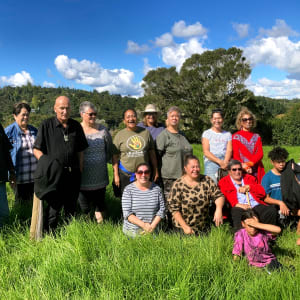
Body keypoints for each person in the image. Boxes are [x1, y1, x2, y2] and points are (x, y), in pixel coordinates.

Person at [33, 96, 88, 232]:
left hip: (73, 174)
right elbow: (36, 149)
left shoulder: (76, 126)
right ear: (55, 108)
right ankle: (50, 237)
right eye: (61, 108)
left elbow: (81, 149)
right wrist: (47, 166)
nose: (65, 111)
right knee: (53, 209)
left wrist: (80, 167)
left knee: (71, 208)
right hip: (54, 176)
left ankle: (70, 235)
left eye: (67, 108)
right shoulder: (46, 125)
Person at [167, 155, 224, 235]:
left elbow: (219, 195)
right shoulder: (178, 184)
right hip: (182, 227)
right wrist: (185, 227)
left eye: (197, 167)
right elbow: (173, 209)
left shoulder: (206, 180)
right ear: (185, 168)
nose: (196, 169)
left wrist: (218, 209)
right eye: (192, 167)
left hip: (203, 227)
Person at [218, 160, 277, 232]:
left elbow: (262, 193)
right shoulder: (224, 182)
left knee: (271, 211)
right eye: (234, 169)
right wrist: (237, 204)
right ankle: (241, 238)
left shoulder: (250, 178)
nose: (237, 171)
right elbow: (224, 197)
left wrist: (250, 187)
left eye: (239, 169)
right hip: (238, 207)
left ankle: (267, 235)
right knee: (236, 212)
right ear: (229, 171)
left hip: (254, 205)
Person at [78, 101, 112, 223]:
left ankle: (102, 229)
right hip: (83, 176)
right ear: (82, 114)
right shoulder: (77, 130)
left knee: (100, 205)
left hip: (100, 176)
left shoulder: (103, 130)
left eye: (95, 114)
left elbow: (109, 150)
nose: (93, 116)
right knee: (85, 207)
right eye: (90, 114)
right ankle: (87, 227)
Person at [112, 109, 158, 195]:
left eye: (133, 116)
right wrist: (116, 175)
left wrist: (156, 170)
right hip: (126, 174)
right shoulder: (119, 135)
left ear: (137, 118)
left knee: (144, 198)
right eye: (128, 117)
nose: (131, 119)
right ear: (124, 120)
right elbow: (114, 156)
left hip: (144, 174)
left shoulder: (145, 133)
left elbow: (152, 152)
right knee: (126, 200)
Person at [156, 106, 193, 201]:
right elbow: (156, 156)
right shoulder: (163, 136)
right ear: (167, 118)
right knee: (171, 204)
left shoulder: (182, 135)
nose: (174, 118)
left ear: (179, 119)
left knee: (183, 202)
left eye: (177, 116)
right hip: (169, 177)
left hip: (184, 176)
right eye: (172, 116)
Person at [5, 102, 38, 204]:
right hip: (18, 177)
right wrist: (10, 174)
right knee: (20, 205)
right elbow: (4, 155)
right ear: (15, 116)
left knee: (34, 206)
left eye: (27, 114)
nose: (26, 117)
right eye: (23, 114)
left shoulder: (34, 131)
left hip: (34, 177)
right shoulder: (8, 132)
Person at [122, 163, 165, 237]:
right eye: (140, 172)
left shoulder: (157, 189)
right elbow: (127, 214)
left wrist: (151, 227)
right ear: (135, 174)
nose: (143, 175)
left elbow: (162, 210)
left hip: (153, 232)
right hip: (132, 233)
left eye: (146, 172)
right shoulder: (128, 190)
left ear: (150, 174)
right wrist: (144, 225)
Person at [232, 108, 265, 183]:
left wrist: (250, 164)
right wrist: (245, 167)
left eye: (250, 119)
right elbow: (236, 155)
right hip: (242, 169)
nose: (248, 121)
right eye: (245, 119)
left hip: (257, 168)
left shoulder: (257, 136)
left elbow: (260, 153)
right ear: (240, 122)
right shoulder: (235, 137)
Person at [202, 109, 232, 183]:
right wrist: (219, 162)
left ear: (222, 120)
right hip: (211, 161)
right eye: (215, 118)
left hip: (225, 161)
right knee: (212, 183)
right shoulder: (207, 133)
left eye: (219, 118)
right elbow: (206, 152)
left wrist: (225, 162)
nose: (217, 121)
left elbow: (229, 150)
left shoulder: (227, 134)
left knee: (226, 184)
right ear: (211, 120)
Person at [262, 147, 290, 223]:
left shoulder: (288, 174)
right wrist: (280, 202)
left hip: (289, 204)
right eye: (278, 162)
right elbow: (265, 198)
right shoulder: (267, 178)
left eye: (283, 161)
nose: (281, 164)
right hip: (275, 207)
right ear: (272, 162)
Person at [0, 122, 16, 228]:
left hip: (0, 177)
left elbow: (6, 150)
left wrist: (12, 171)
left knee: (4, 213)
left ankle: (5, 237)